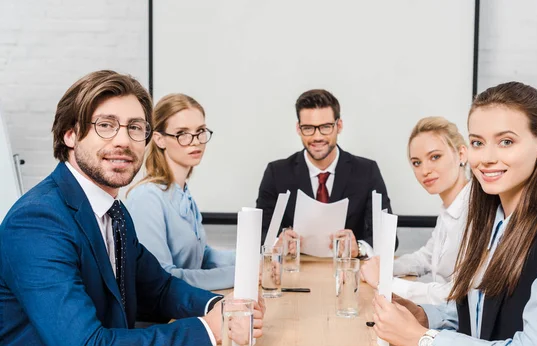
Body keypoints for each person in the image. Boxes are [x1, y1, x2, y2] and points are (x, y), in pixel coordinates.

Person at [0, 70, 264, 346]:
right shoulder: (38, 221)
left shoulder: (115, 211)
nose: (123, 140)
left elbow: (159, 287)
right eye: (106, 125)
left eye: (135, 128)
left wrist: (223, 305)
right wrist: (208, 329)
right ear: (70, 133)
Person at [371, 81, 537, 346]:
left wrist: (423, 340)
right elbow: (484, 314)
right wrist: (426, 316)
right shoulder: (492, 221)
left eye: (506, 141)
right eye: (478, 142)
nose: (487, 158)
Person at [256, 89, 395, 258]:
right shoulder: (277, 173)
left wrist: (358, 248)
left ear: (339, 126)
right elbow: (259, 235)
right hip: (295, 275)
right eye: (308, 128)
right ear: (298, 129)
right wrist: (278, 242)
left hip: (348, 275)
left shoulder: (366, 171)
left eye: (325, 127)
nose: (317, 137)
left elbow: (389, 237)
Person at [126, 94, 235, 290]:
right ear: (159, 139)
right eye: (182, 133)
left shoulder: (182, 193)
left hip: (188, 305)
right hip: (164, 316)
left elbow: (203, 256)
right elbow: (163, 277)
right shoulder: (147, 197)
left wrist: (257, 259)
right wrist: (240, 274)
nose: (195, 141)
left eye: (200, 131)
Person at [360, 117, 470, 304]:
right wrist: (386, 267)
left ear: (461, 154)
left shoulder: (476, 212)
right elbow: (425, 258)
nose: (424, 170)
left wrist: (385, 281)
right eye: (417, 163)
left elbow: (455, 294)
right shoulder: (449, 209)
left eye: (435, 157)